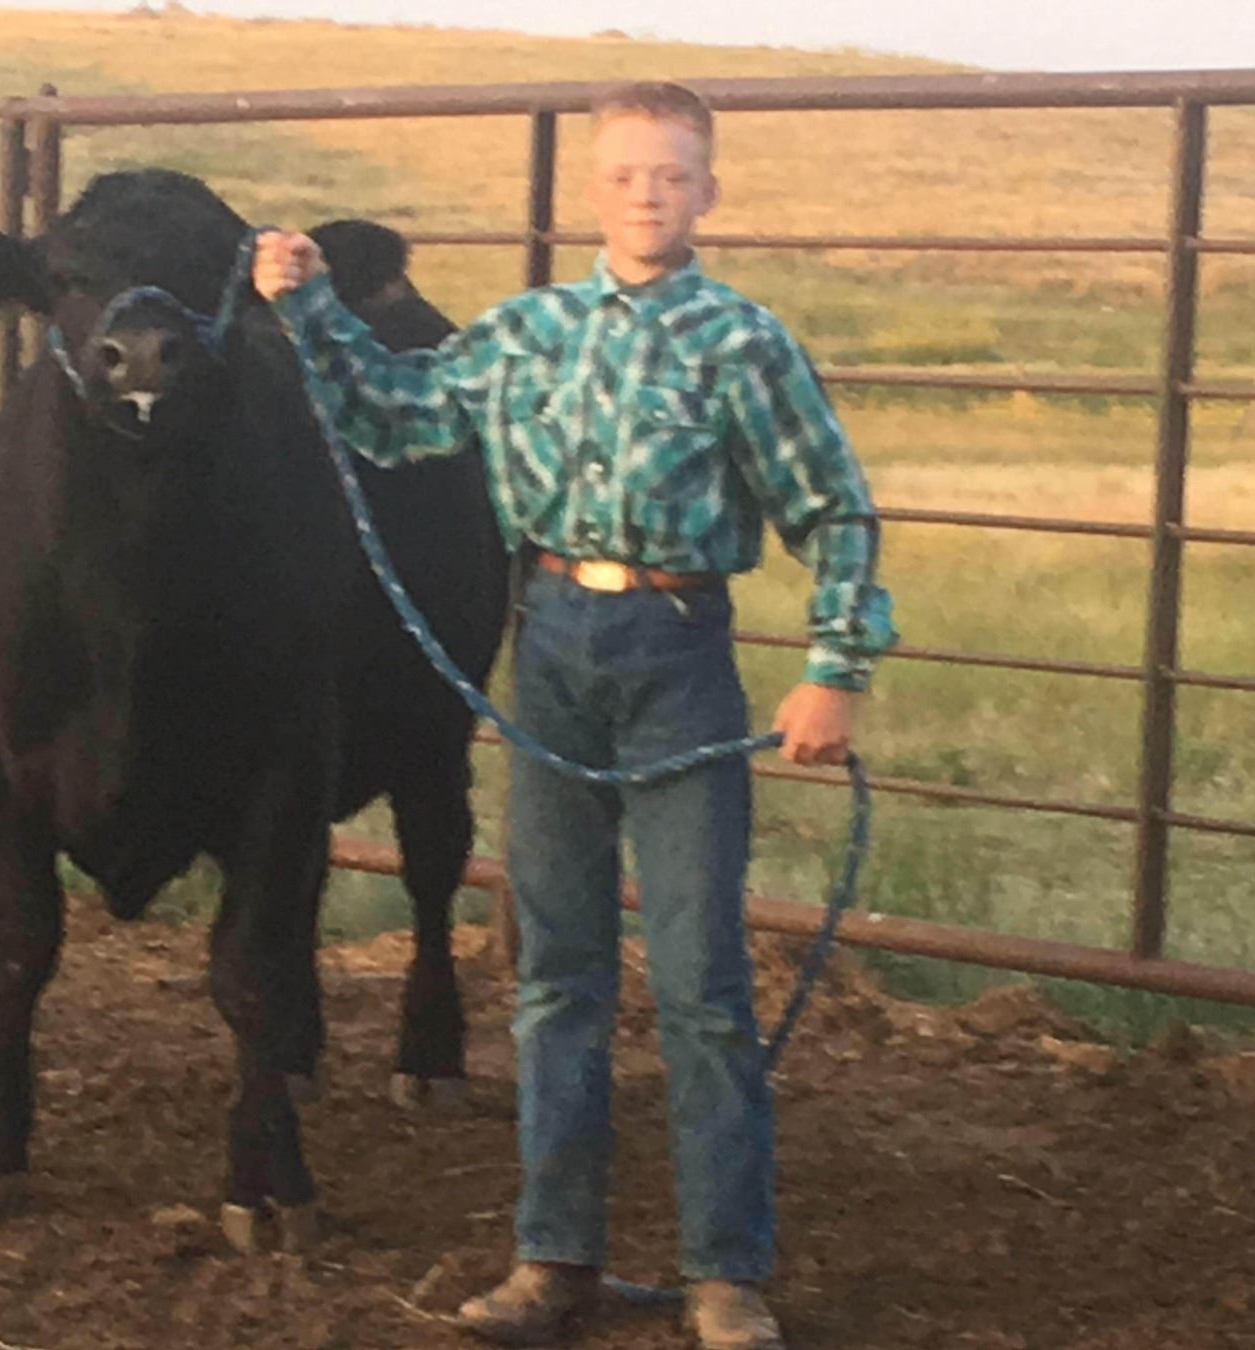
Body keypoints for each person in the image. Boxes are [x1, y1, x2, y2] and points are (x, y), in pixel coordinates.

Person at [254, 81, 896, 1350]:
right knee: (557, 978)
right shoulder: (526, 332)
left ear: (708, 192)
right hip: (547, 645)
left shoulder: (741, 343)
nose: (648, 195)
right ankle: (553, 1258)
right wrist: (309, 307)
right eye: (626, 175)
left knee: (704, 981)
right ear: (590, 191)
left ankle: (726, 1275)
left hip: (679, 652)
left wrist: (835, 668)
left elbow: (835, 508)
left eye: (673, 175)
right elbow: (396, 414)